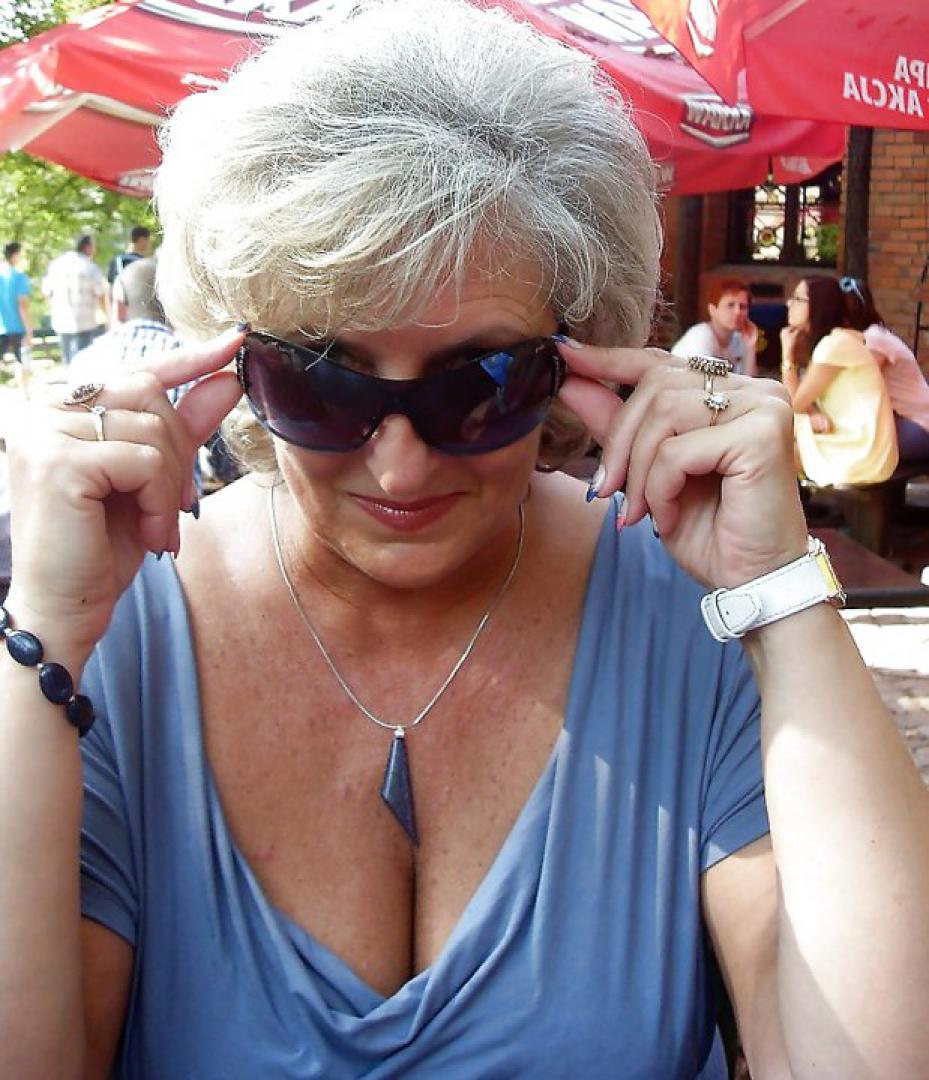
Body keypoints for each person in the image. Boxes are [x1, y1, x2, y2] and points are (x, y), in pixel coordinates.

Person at [2, 2, 928, 1077]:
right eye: (321, 381)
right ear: (231, 365)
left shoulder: (698, 618)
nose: (399, 469)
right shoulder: (115, 631)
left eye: (480, 384)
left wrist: (780, 591)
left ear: (580, 359)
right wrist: (43, 629)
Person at [781, 275, 898, 486]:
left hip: (860, 455)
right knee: (774, 438)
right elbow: (802, 402)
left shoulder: (836, 345)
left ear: (818, 305)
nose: (789, 304)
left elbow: (794, 403)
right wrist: (812, 413)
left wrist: (787, 355)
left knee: (772, 441)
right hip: (851, 444)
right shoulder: (836, 342)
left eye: (798, 299)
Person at [841, 276, 929, 463]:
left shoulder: (873, 340)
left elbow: (858, 389)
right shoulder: (869, 336)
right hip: (904, 420)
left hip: (919, 424)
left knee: (854, 449)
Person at [671, 277, 758, 376]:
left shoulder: (738, 338)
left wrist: (750, 347)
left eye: (742, 307)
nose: (737, 312)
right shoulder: (701, 337)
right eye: (730, 305)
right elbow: (700, 381)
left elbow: (749, 381)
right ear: (712, 309)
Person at [41, 233, 106, 365]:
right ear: (87, 247)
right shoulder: (89, 267)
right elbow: (100, 293)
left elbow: (46, 291)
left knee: (68, 360)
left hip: (61, 320)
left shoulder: (56, 265)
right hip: (84, 321)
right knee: (83, 361)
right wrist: (107, 315)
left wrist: (54, 307)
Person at [107, 226, 152, 325]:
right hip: (140, 315)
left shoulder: (117, 261)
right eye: (148, 240)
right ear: (142, 240)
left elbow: (110, 292)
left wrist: (109, 317)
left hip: (119, 317)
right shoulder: (145, 265)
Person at [0, 242, 32, 365]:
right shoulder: (19, 277)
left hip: (2, 327)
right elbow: (22, 305)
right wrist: (29, 330)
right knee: (23, 364)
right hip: (17, 328)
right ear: (15, 255)